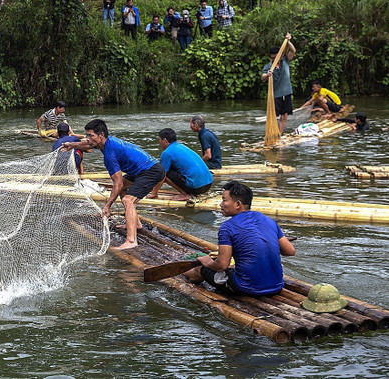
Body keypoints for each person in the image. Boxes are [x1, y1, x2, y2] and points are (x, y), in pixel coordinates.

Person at [61, 119, 166, 250]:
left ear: (101, 135)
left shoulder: (109, 154)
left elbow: (118, 181)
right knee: (123, 191)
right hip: (140, 170)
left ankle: (131, 241)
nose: (88, 138)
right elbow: (88, 145)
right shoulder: (105, 142)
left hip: (151, 171)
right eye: (87, 135)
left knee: (128, 200)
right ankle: (136, 224)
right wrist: (72, 145)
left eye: (91, 136)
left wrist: (107, 206)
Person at [184, 181, 296, 296]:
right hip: (277, 285)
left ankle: (182, 275)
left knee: (200, 269)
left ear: (238, 204)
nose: (221, 204)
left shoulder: (227, 227)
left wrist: (207, 262)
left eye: (224, 200)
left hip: (247, 287)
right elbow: (290, 251)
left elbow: (222, 265)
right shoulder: (269, 220)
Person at [157, 128, 213, 200]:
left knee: (163, 173)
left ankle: (184, 194)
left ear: (165, 140)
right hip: (208, 184)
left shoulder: (166, 153)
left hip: (198, 188)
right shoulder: (182, 146)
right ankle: (188, 191)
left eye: (159, 140)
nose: (159, 142)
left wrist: (154, 193)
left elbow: (162, 175)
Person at [261, 33, 296, 134]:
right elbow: (262, 78)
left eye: (276, 57)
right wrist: (267, 75)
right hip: (275, 94)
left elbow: (293, 50)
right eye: (272, 57)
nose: (274, 59)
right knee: (273, 117)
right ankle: (272, 133)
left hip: (287, 92)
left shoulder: (285, 61)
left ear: (280, 55)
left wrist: (288, 41)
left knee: (284, 116)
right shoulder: (269, 67)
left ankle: (279, 135)